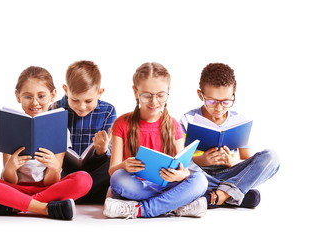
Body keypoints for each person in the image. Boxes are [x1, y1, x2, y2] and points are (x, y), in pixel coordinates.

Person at [0, 66, 92, 220]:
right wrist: (11, 167)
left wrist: (54, 168)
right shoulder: (10, 125)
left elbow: (52, 181)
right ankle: (44, 209)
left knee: (84, 179)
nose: (35, 103)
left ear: (53, 95)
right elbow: (9, 179)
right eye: (28, 96)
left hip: (47, 188)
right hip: (15, 188)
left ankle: (11, 205)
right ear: (18, 96)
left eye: (41, 96)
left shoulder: (59, 128)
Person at [103, 62, 208, 219]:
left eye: (160, 95)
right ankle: (176, 206)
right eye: (146, 95)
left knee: (200, 180)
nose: (154, 102)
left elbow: (183, 170)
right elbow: (112, 171)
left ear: (168, 92)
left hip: (166, 184)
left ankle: (139, 209)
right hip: (137, 186)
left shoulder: (173, 125)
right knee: (118, 179)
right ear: (135, 92)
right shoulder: (121, 123)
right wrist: (124, 165)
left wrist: (179, 176)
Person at [180, 63, 280, 209]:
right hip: (200, 173)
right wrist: (202, 160)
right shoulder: (187, 119)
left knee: (272, 157)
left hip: (230, 172)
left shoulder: (238, 121)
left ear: (233, 94)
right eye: (212, 101)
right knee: (180, 167)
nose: (219, 108)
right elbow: (181, 159)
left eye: (226, 101)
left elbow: (248, 161)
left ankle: (217, 196)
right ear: (200, 94)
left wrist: (232, 161)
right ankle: (234, 193)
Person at [50, 60, 116, 204]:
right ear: (66, 90)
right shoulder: (54, 109)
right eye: (74, 100)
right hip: (65, 170)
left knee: (115, 165)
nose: (81, 107)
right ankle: (86, 195)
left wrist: (102, 151)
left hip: (95, 171)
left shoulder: (108, 111)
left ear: (100, 93)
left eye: (88, 101)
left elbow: (110, 155)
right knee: (50, 170)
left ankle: (69, 195)